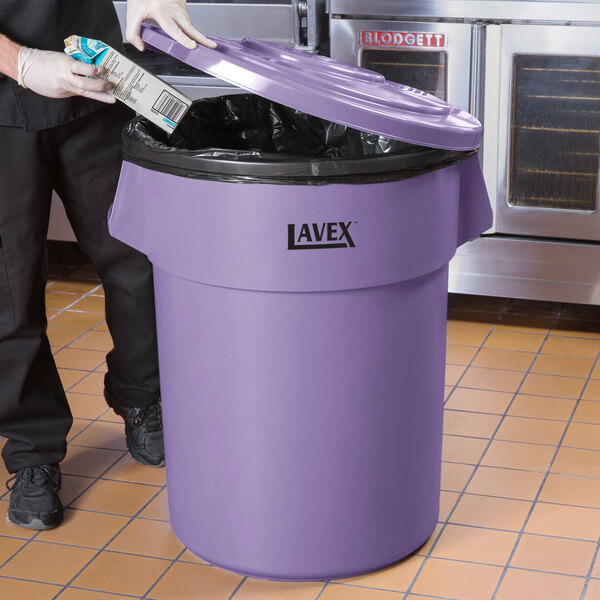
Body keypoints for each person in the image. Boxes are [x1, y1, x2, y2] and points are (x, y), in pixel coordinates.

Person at [0, 0, 214, 530]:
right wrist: (21, 61)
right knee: (9, 286)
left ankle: (143, 397)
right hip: (3, 96)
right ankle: (33, 452)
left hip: (94, 78)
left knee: (137, 256)